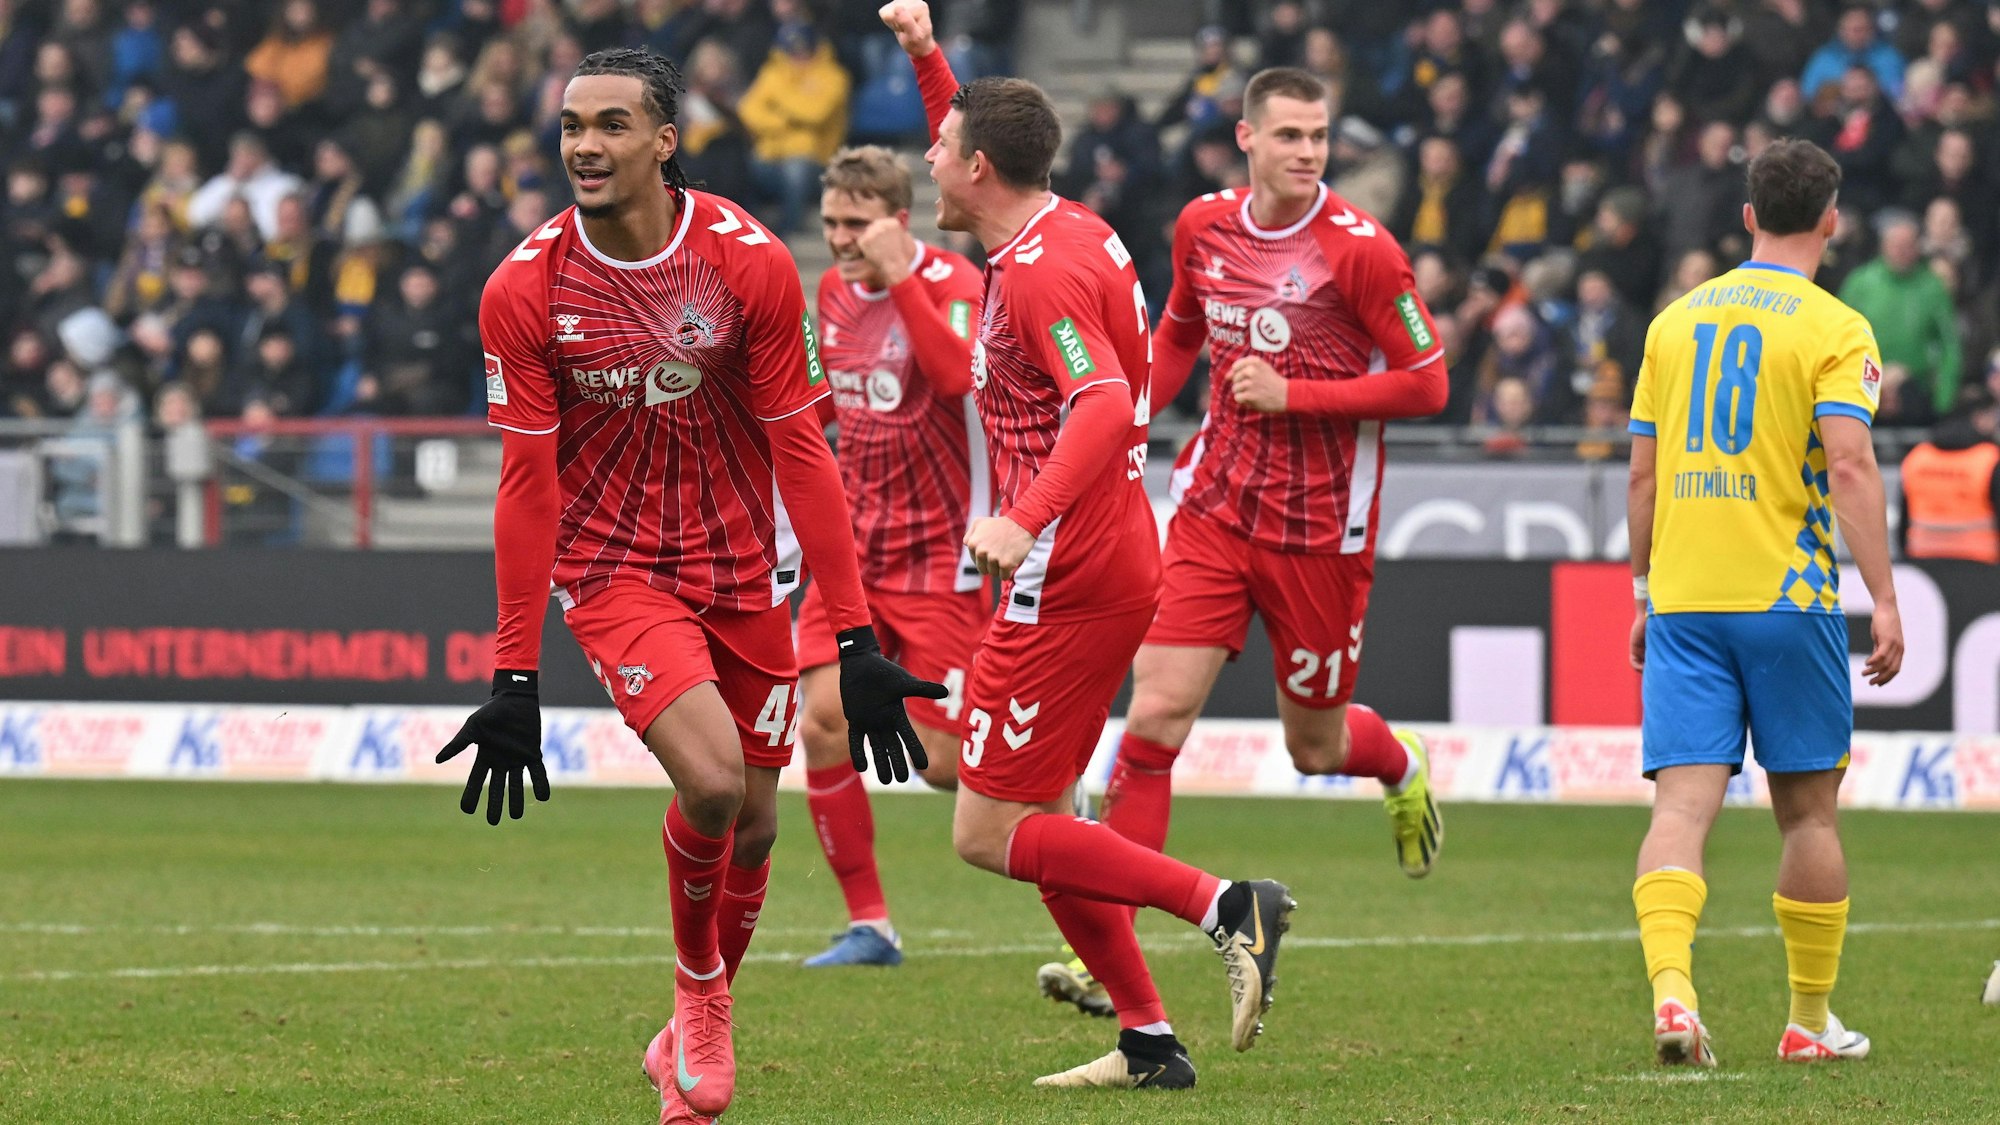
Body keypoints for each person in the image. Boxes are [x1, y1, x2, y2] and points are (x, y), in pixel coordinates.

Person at [437, 47, 942, 1125]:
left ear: (665, 142)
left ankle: (682, 1049)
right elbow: (525, 486)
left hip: (743, 566)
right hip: (614, 568)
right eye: (572, 125)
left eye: (611, 125)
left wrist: (852, 641)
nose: (585, 145)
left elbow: (801, 449)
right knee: (711, 786)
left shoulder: (745, 260)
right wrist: (514, 675)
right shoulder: (524, 287)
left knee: (754, 825)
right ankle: (702, 992)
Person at [882, 0, 1293, 1092]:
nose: (929, 158)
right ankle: (1148, 1041)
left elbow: (1103, 402)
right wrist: (929, 58)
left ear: (976, 167)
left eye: (939, 147)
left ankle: (1226, 904)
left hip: (1062, 569)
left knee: (985, 831)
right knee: (1049, 816)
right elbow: (976, 135)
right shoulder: (1055, 226)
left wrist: (1021, 519)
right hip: (1100, 553)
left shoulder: (1037, 273)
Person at [1061, 67, 1448, 1019]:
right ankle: (1113, 950)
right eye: (1289, 135)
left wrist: (1295, 394)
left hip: (1320, 530)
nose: (1308, 152)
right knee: (1155, 716)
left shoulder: (1363, 252)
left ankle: (1398, 764)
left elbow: (1429, 382)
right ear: (1247, 139)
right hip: (1214, 505)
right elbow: (1179, 334)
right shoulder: (1203, 225)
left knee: (1315, 744)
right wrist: (1131, 418)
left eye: (1318, 136)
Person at [1625, 138, 1903, 1068]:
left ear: (1747, 216)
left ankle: (1673, 993)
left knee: (1679, 810)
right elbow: (1850, 464)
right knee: (1809, 816)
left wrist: (1643, 590)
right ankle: (1809, 1020)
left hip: (1685, 597)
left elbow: (1641, 475)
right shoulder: (1836, 327)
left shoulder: (1673, 323)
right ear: (1832, 219)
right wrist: (1885, 597)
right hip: (1787, 597)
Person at [796, 145, 989, 967]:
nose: (841, 238)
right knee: (822, 722)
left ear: (899, 220)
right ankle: (870, 924)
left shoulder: (956, 284)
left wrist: (901, 273)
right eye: (831, 221)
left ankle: (1060, 795)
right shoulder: (832, 292)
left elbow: (955, 377)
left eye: (857, 222)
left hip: (944, 555)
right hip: (856, 549)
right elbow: (823, 404)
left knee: (944, 765)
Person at [1898, 396, 2000, 563]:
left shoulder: (1918, 456)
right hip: (1980, 561)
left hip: (1923, 558)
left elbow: (1904, 516)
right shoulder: (1990, 458)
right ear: (1980, 417)